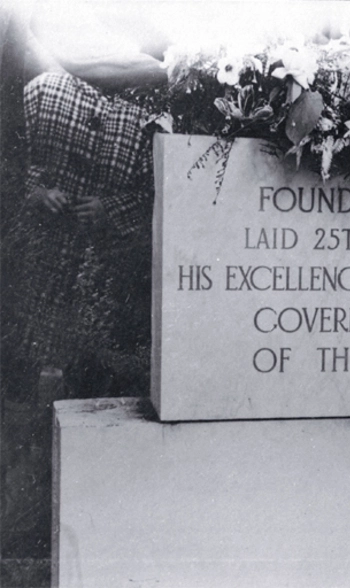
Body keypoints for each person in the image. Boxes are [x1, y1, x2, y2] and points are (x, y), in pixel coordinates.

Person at [0, 3, 168, 581]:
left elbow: (152, 195)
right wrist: (36, 193)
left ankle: (74, 512)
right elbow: (15, 167)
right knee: (26, 382)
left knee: (90, 390)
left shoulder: (144, 122)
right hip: (42, 268)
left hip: (102, 280)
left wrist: (113, 213)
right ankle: (20, 507)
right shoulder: (40, 92)